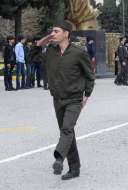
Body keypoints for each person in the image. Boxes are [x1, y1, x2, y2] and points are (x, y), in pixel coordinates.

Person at [27, 19, 95, 180]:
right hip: (57, 98)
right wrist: (40, 43)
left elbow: (90, 75)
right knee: (68, 132)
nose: (52, 34)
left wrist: (86, 95)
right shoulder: (50, 51)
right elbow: (31, 57)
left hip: (75, 98)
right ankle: (75, 168)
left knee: (66, 129)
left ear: (66, 34)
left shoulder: (78, 52)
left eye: (56, 31)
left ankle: (59, 158)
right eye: (52, 31)